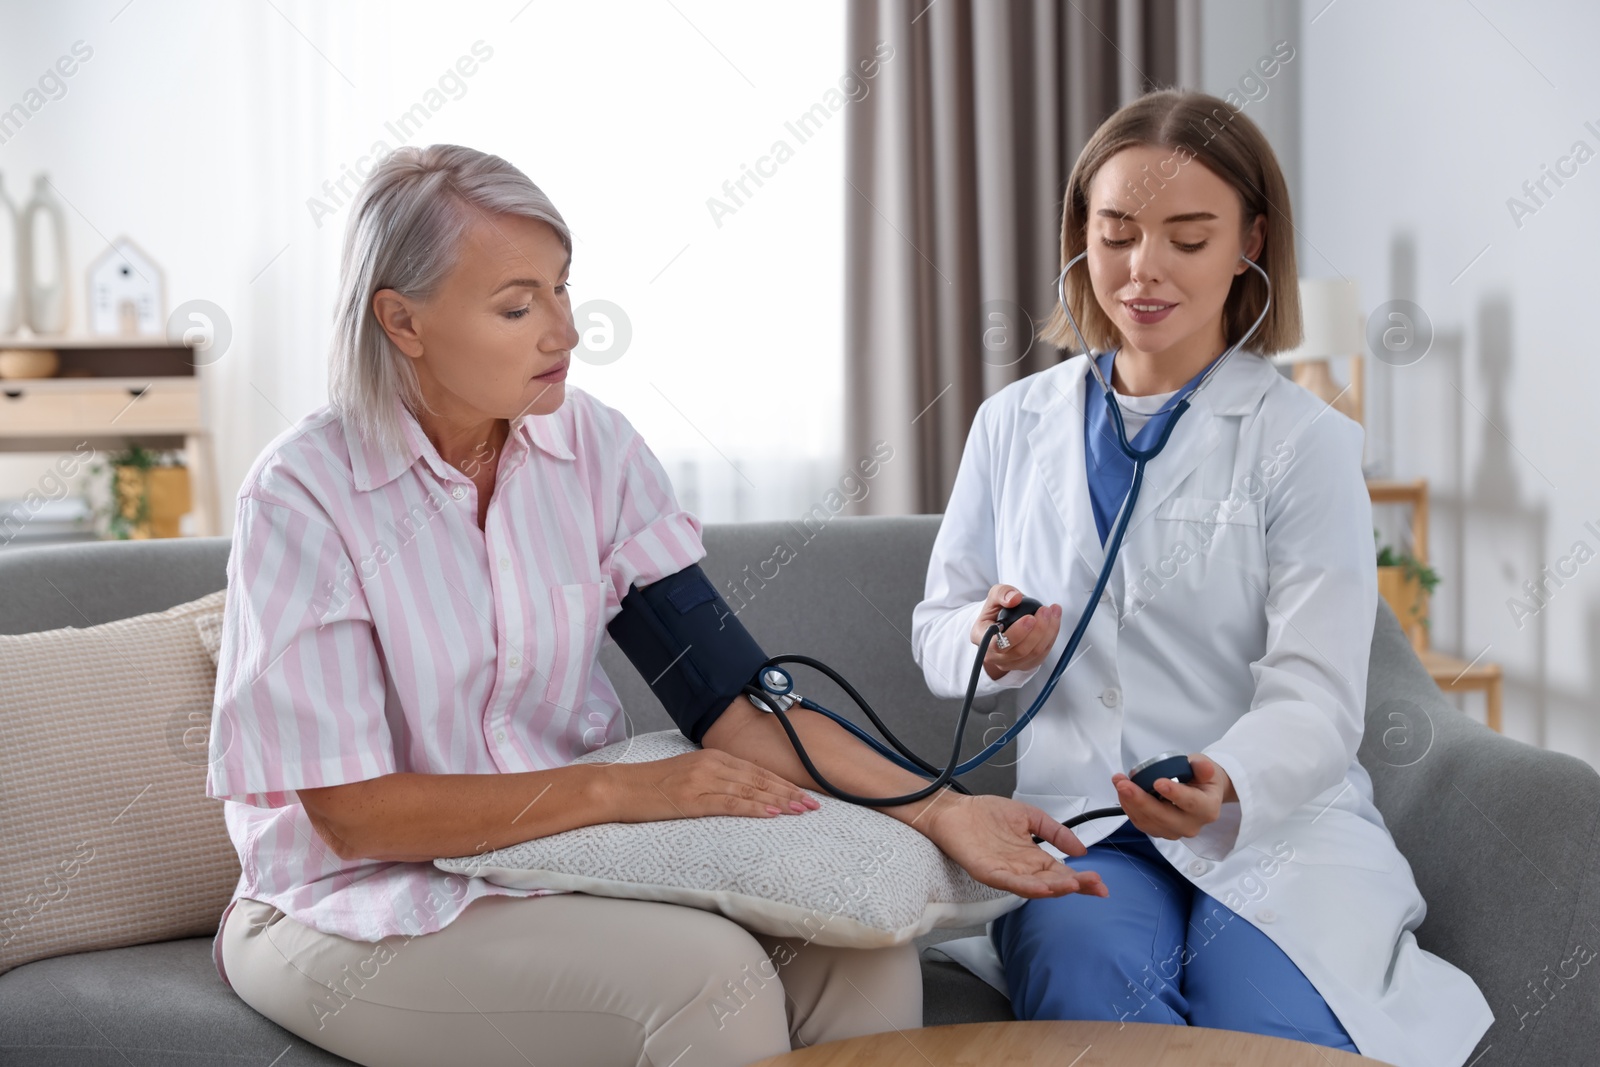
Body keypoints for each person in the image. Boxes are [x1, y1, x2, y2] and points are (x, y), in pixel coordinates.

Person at [206, 143, 1104, 1067]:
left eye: (562, 288)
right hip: (351, 901)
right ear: (403, 321)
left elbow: (730, 700)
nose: (565, 331)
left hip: (563, 866)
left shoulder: (588, 447)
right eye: (517, 306)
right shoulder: (304, 494)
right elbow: (356, 814)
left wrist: (940, 809)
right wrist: (624, 791)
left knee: (862, 962)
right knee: (711, 985)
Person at [909, 90, 1493, 1067]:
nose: (1143, 269)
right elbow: (937, 621)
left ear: (1249, 242)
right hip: (1085, 825)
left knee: (1262, 1030)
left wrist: (1228, 781)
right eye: (1117, 232)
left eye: (1187, 237)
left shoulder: (1304, 442)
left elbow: (1315, 690)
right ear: (1079, 237)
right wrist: (984, 636)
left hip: (1268, 831)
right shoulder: (1011, 424)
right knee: (1095, 1002)